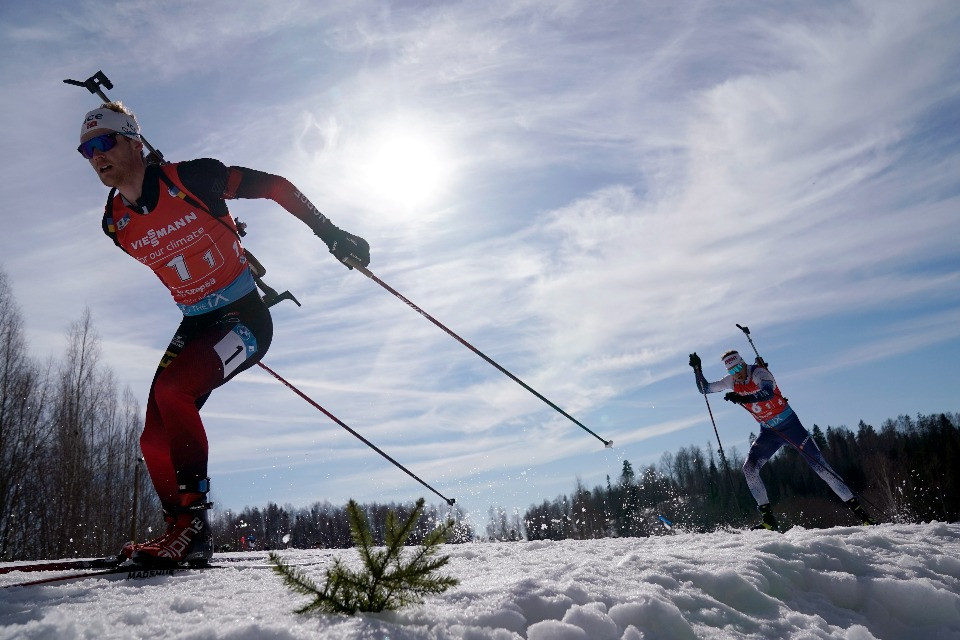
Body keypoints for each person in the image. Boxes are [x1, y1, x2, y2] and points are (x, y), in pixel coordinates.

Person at [78, 102, 370, 566]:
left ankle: (193, 528)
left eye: (105, 142)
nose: (95, 155)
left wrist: (331, 233)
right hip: (195, 323)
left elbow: (275, 186)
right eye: (86, 150)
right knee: (152, 441)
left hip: (245, 318)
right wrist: (224, 229)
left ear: (134, 140)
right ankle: (182, 530)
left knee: (176, 390)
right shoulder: (115, 224)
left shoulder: (193, 178)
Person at [688, 350, 876, 530]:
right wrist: (698, 370)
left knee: (821, 467)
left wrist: (743, 399)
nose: (736, 374)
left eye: (738, 369)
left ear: (743, 363)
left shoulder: (759, 372)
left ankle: (863, 516)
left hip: (791, 427)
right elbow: (705, 389)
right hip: (769, 433)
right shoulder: (731, 381)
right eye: (731, 371)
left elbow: (767, 393)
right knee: (749, 468)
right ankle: (768, 520)